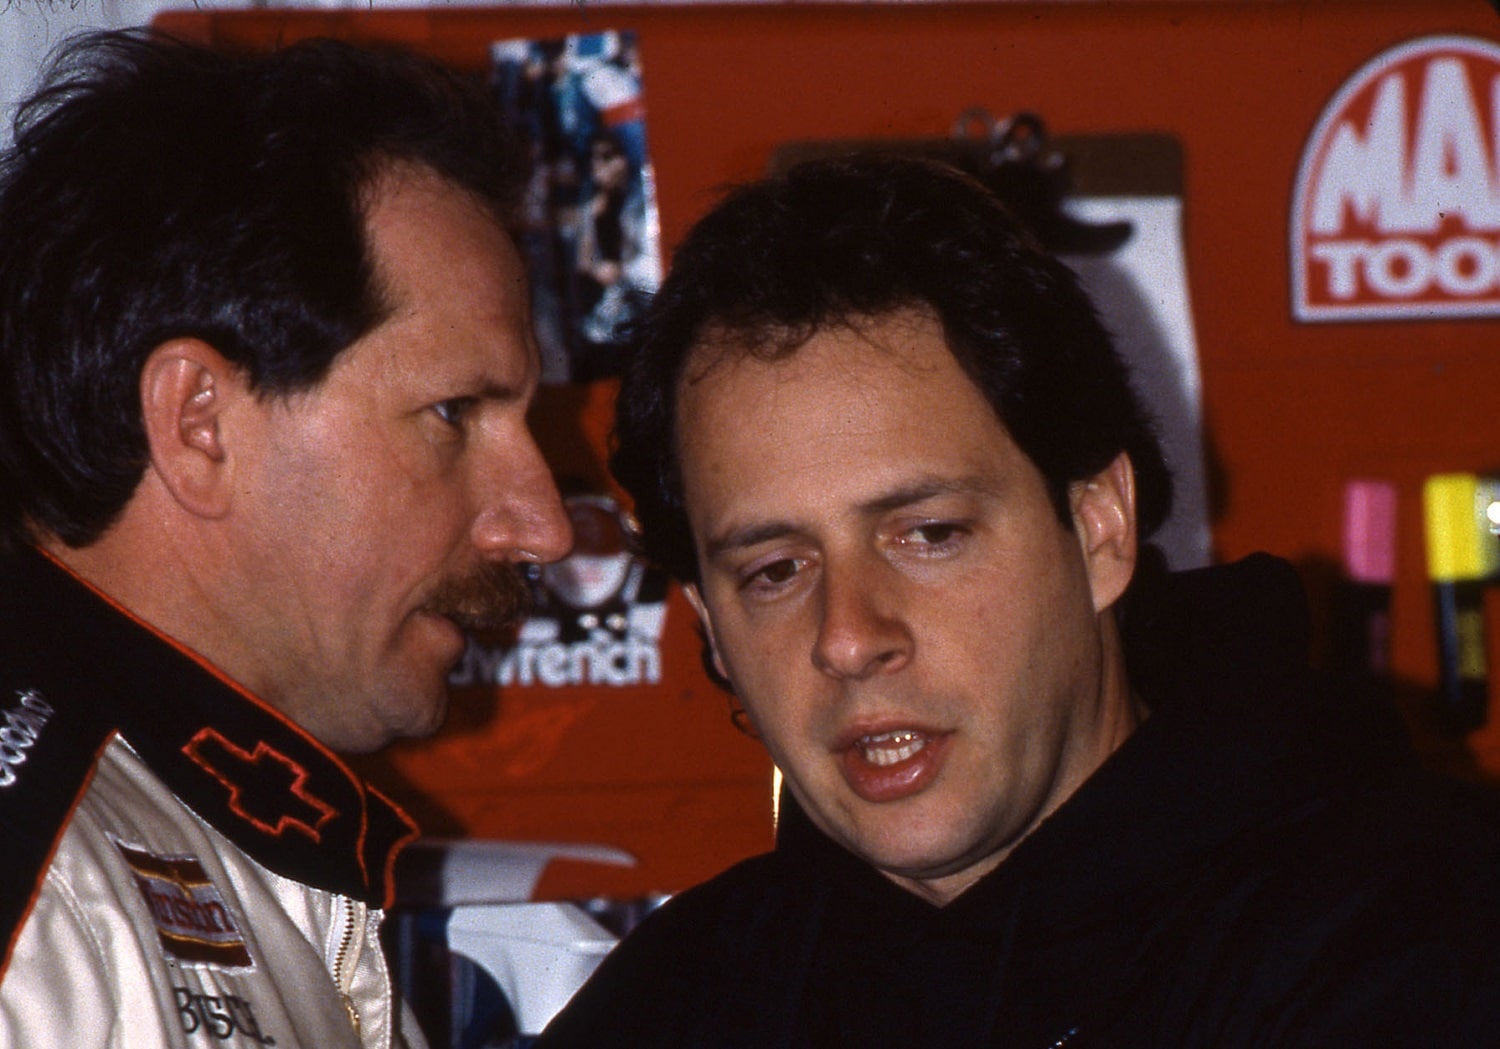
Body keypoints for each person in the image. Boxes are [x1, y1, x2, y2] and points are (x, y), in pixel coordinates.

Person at [535, 154, 1500, 1047]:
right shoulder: (680, 1002)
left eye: (929, 535)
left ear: (1100, 529)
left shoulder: (1418, 937)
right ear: (710, 626)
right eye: (776, 570)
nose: (848, 637)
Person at [0, 29, 572, 1049]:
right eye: (453, 413)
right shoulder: (43, 871)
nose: (543, 523)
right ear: (200, 422)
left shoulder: (231, 820)